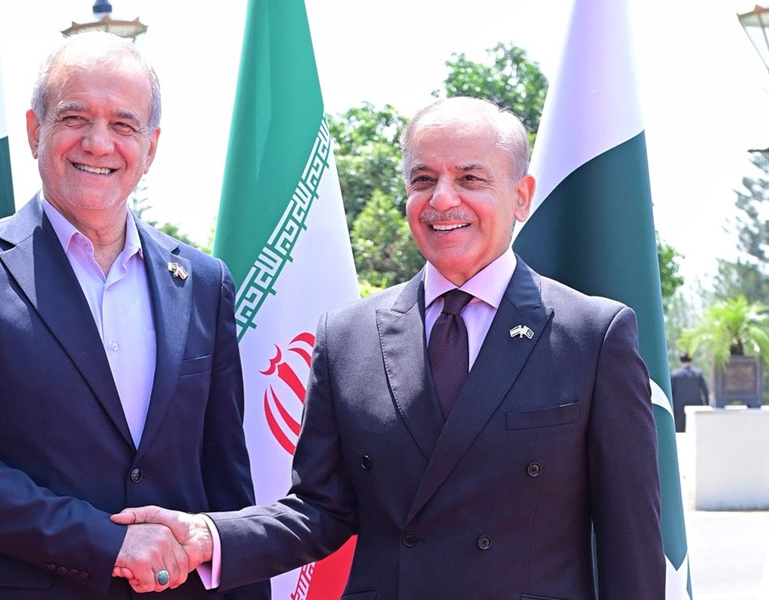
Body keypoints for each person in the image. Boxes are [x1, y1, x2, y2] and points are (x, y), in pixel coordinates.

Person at [112, 97, 665, 599]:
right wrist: (210, 535)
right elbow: (320, 511)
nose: (441, 199)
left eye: (470, 178)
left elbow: (630, 540)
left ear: (521, 196)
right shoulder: (347, 336)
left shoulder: (591, 335)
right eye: (423, 179)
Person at [0, 32, 268, 600]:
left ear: (150, 147)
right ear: (34, 131)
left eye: (123, 125)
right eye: (75, 118)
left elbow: (226, 480)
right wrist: (106, 543)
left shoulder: (203, 283)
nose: (98, 143)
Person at [671, 352, 710, 431]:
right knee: (696, 431)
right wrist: (707, 405)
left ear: (680, 361)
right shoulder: (698, 373)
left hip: (679, 409)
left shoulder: (674, 374)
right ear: (691, 361)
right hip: (696, 408)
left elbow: (671, 392)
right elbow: (705, 391)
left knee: (680, 434)